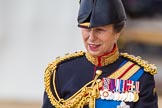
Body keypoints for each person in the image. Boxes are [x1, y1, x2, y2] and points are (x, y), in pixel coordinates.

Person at [42, 0, 158, 108]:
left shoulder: (139, 76)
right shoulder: (61, 72)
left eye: (100, 30)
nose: (91, 38)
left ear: (117, 32)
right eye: (86, 29)